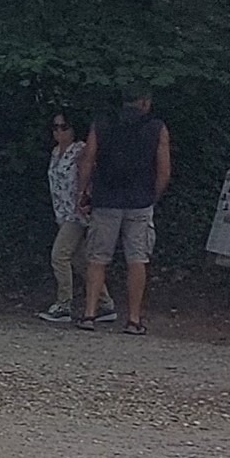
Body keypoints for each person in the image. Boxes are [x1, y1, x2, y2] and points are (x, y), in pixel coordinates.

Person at [77, 85, 172, 333]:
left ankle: (89, 315)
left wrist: (83, 191)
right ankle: (133, 319)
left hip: (106, 199)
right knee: (137, 260)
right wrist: (153, 196)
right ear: (144, 102)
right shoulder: (157, 127)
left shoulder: (102, 123)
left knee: (97, 259)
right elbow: (164, 170)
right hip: (139, 202)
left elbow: (88, 158)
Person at [40, 110, 87, 321]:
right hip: (61, 212)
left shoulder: (81, 150)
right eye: (55, 127)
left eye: (64, 127)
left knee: (59, 256)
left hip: (76, 213)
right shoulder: (55, 152)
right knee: (79, 260)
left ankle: (64, 303)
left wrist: (85, 200)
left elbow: (89, 176)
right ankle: (105, 303)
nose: (59, 132)